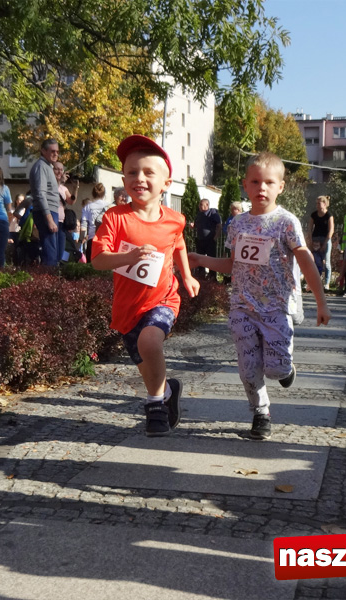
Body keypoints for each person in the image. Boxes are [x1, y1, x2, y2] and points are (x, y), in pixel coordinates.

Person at [189, 152, 331, 440]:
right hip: (242, 306)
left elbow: (305, 261)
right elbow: (232, 264)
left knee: (276, 370)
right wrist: (200, 259)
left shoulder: (286, 222)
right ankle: (260, 413)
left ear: (281, 186)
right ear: (245, 185)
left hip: (276, 307)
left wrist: (321, 302)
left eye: (269, 182)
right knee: (248, 367)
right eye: (255, 182)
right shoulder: (237, 224)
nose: (261, 187)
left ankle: (286, 369)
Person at [91, 135, 200, 437]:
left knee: (150, 343)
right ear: (123, 180)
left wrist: (186, 275)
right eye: (132, 172)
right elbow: (97, 260)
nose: (139, 178)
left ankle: (155, 407)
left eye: (148, 172)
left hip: (163, 299)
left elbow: (178, 243)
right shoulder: (115, 217)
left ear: (166, 183)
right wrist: (127, 256)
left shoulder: (175, 219)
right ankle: (167, 392)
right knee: (148, 367)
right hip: (128, 309)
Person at [28, 138, 60, 267]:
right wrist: (49, 219)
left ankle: (49, 275)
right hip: (46, 213)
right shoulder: (41, 167)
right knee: (49, 253)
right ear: (43, 151)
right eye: (52, 151)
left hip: (51, 211)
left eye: (57, 151)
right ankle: (48, 278)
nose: (55, 154)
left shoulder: (47, 167)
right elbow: (40, 194)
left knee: (52, 251)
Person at [79, 183, 111, 262]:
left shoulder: (87, 207)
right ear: (104, 194)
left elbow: (83, 225)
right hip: (106, 238)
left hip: (92, 238)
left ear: (93, 193)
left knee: (91, 264)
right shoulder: (109, 206)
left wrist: (81, 239)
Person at [191, 198, 221, 280]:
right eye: (199, 205)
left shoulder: (213, 214)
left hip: (210, 240)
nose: (199, 206)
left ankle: (212, 278)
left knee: (211, 259)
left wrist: (215, 238)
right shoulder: (199, 215)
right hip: (200, 240)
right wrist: (193, 225)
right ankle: (201, 277)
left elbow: (219, 226)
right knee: (200, 259)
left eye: (201, 204)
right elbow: (196, 224)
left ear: (207, 205)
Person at [308, 195, 334, 291]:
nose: (317, 205)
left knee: (326, 262)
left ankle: (327, 283)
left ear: (325, 204)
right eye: (316, 203)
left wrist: (325, 243)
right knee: (316, 261)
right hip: (316, 239)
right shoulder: (314, 215)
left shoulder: (329, 215)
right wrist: (310, 241)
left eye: (319, 203)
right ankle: (315, 282)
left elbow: (331, 230)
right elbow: (310, 228)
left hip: (325, 239)